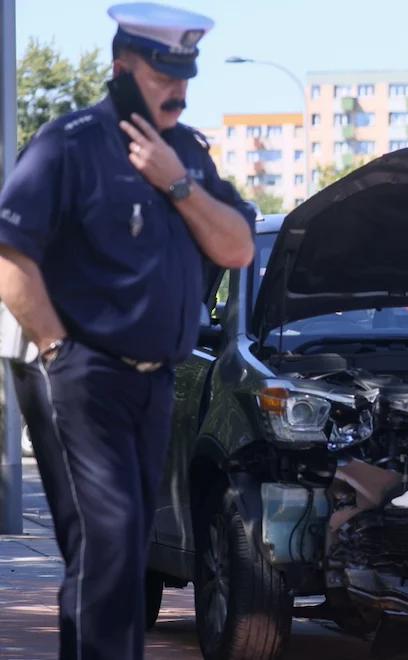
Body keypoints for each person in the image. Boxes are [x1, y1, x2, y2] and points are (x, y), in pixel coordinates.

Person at [0, 4, 255, 658]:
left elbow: (237, 249)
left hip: (155, 382)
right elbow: (10, 256)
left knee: (126, 549)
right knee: (108, 545)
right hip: (83, 376)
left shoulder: (188, 155)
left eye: (186, 74)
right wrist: (58, 351)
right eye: (164, 73)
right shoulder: (70, 143)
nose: (180, 87)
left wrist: (177, 186)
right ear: (121, 67)